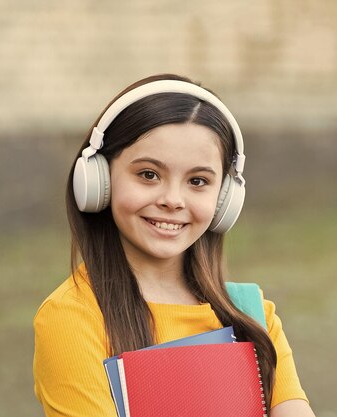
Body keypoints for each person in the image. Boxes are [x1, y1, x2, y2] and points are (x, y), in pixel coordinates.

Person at [33, 74, 316, 417]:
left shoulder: (254, 316)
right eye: (149, 174)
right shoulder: (71, 317)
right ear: (99, 180)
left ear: (225, 198)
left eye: (198, 181)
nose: (172, 200)